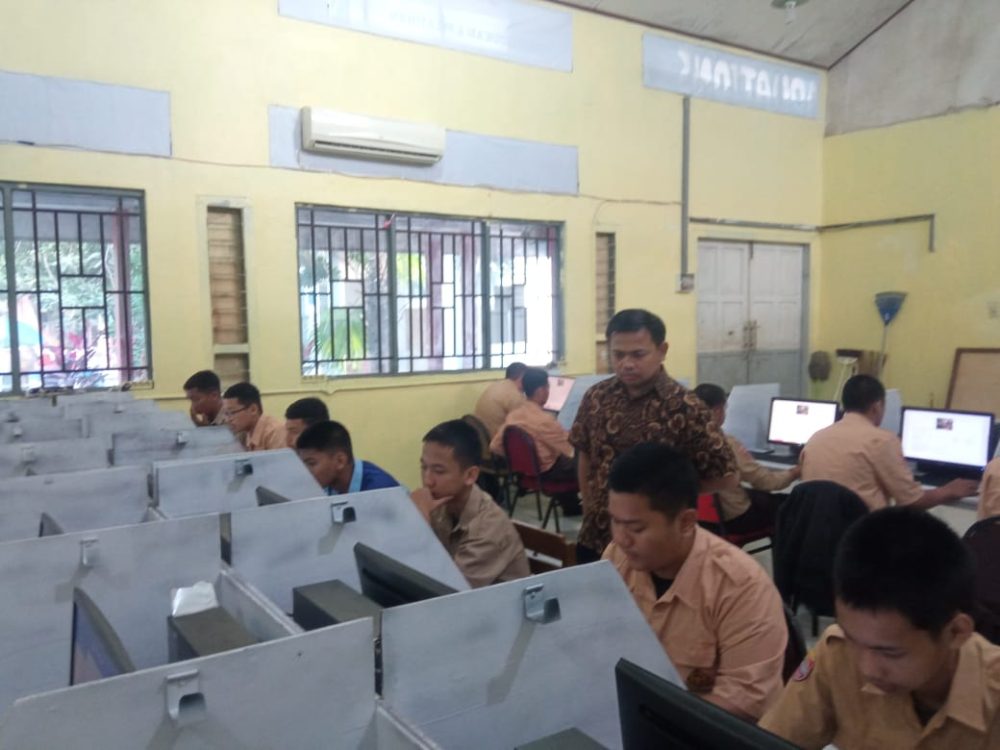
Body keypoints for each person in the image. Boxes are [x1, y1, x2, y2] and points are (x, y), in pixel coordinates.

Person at [760, 507, 1000, 748]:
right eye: (852, 639)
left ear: (956, 632)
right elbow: (775, 738)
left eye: (890, 653)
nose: (867, 669)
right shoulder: (837, 651)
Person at [603, 443, 787, 721]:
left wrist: (653, 714)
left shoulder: (740, 587)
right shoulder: (617, 559)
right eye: (615, 522)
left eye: (636, 528)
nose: (621, 539)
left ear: (687, 521)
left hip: (697, 730)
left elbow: (747, 701)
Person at [570, 309, 736, 561]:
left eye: (638, 354)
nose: (627, 363)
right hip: (597, 534)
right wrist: (589, 505)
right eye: (618, 355)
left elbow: (726, 476)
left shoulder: (686, 407)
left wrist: (669, 499)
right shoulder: (597, 397)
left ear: (662, 350)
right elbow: (584, 454)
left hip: (656, 547)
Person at [801, 375, 978, 511]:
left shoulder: (816, 438)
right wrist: (948, 490)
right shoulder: (881, 440)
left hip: (818, 537)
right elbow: (911, 501)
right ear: (877, 406)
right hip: (863, 537)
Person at [410, 419, 530, 588]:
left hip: (492, 603)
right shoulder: (439, 502)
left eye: (438, 471)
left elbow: (445, 590)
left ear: (470, 476)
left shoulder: (488, 529)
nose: (427, 480)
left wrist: (419, 521)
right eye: (424, 467)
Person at [693, 383, 798, 532]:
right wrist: (795, 472)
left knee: (760, 497)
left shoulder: (682, 439)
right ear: (717, 410)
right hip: (734, 519)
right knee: (791, 506)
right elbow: (767, 482)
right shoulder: (725, 443)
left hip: (700, 519)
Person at [295, 420, 399, 494]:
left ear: (340, 461)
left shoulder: (381, 490)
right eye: (302, 464)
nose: (305, 472)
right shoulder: (326, 485)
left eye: (311, 463)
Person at [222, 382, 287, 451]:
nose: (228, 420)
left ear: (253, 409)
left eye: (232, 413)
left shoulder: (275, 432)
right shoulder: (246, 432)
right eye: (226, 413)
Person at [473, 362, 527, 438]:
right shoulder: (514, 394)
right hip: (493, 439)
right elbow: (524, 426)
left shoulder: (497, 385)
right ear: (522, 377)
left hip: (479, 437)